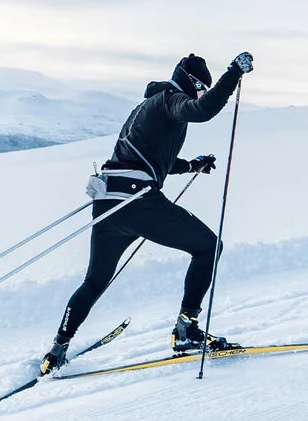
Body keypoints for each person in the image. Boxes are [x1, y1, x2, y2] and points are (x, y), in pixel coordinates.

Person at [40, 50, 254, 374]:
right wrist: (233, 73)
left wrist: (192, 165)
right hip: (137, 202)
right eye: (200, 88)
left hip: (109, 201)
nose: (200, 95)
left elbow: (150, 159)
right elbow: (203, 110)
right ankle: (186, 330)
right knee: (209, 246)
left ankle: (57, 349)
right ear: (191, 83)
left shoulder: (147, 106)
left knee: (95, 281)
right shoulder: (171, 100)